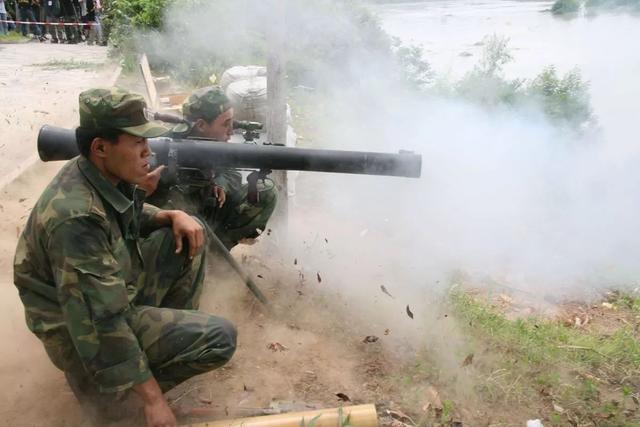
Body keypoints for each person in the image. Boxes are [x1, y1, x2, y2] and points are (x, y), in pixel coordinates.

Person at [14, 87, 237, 426]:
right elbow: (100, 320)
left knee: (185, 236)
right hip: (80, 334)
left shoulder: (97, 171)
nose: (149, 151)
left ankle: (149, 361)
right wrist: (152, 399)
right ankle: (116, 403)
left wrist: (168, 215)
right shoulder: (75, 219)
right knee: (220, 338)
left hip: (103, 294)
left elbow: (117, 212)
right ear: (101, 147)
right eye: (138, 143)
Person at [145, 86, 278, 250]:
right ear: (201, 125)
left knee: (264, 191)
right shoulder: (165, 147)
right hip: (173, 220)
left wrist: (220, 183)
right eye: (226, 124)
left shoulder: (218, 143)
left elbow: (232, 172)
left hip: (210, 211)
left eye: (232, 122)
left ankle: (216, 254)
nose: (231, 131)